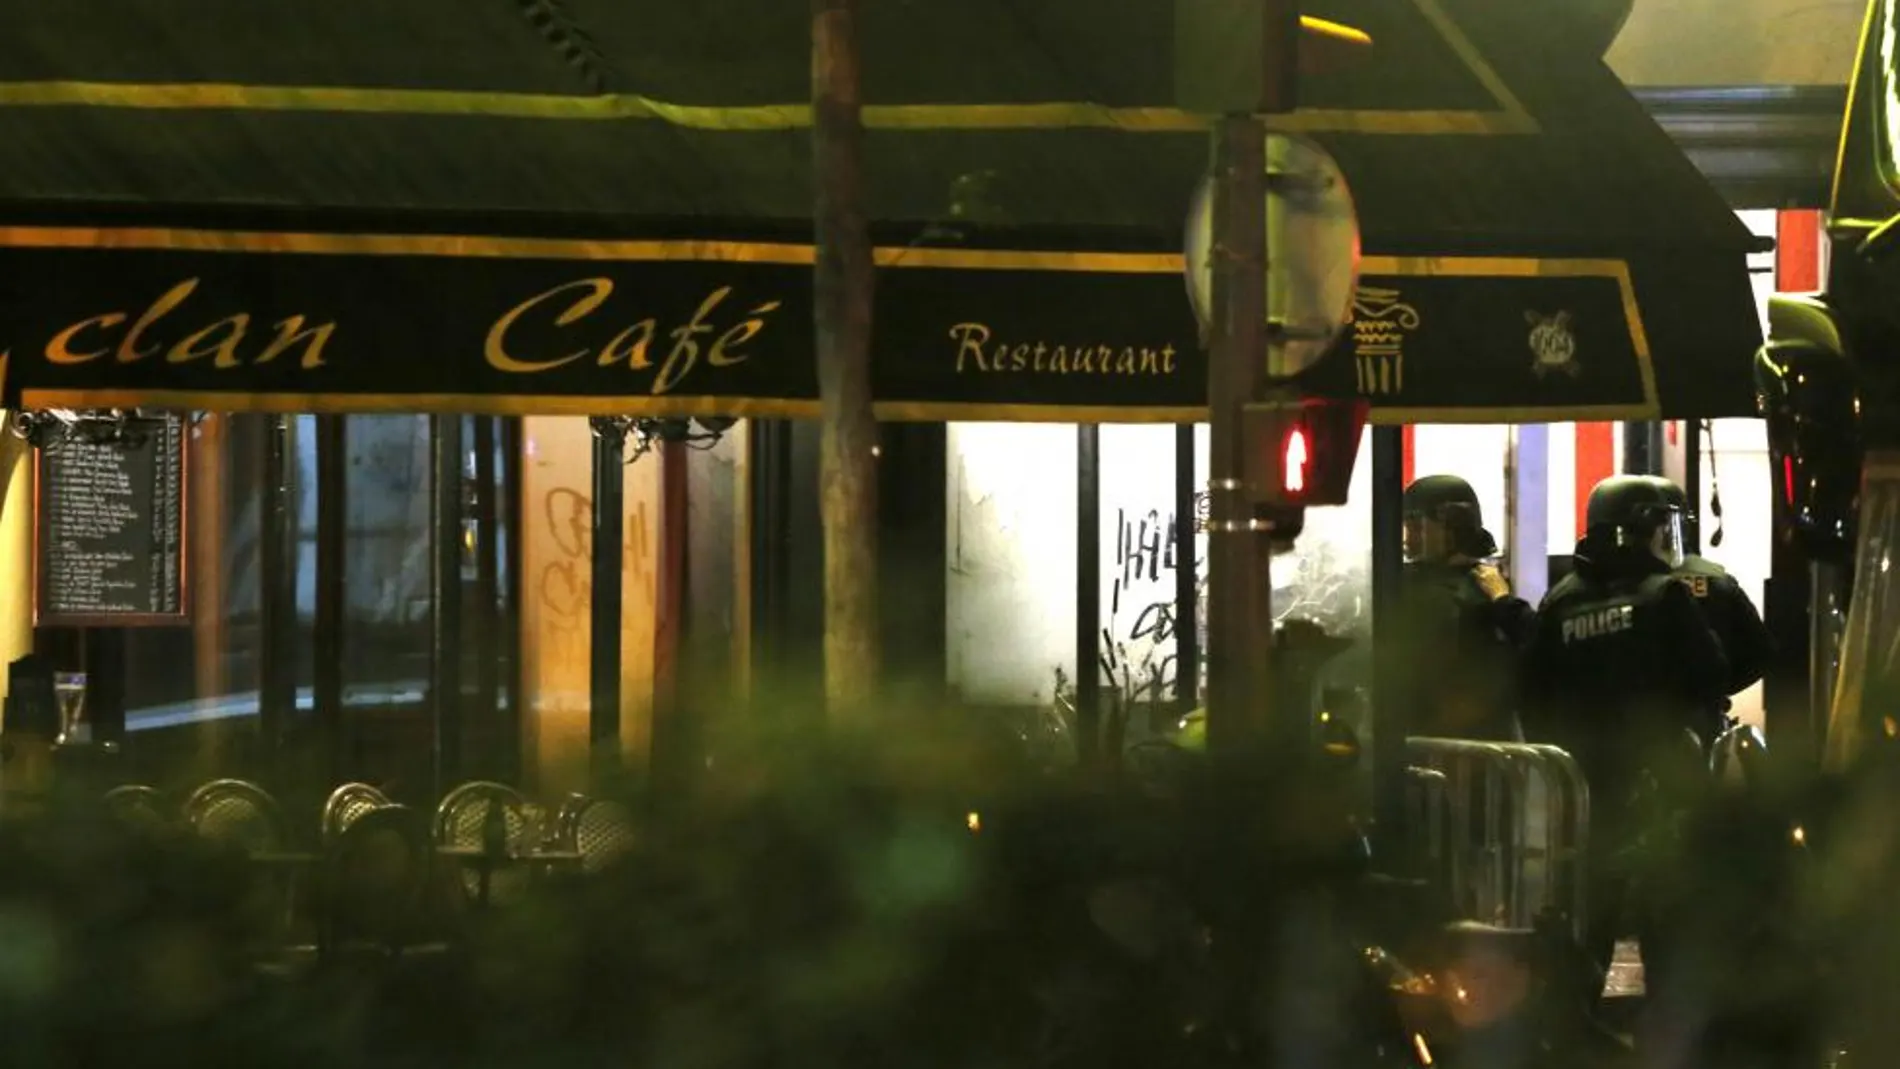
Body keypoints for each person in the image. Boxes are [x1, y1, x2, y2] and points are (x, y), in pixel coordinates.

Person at [1519, 475, 1730, 1026]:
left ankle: (1577, 1022)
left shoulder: (1560, 599)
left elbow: (1529, 691)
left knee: (1590, 902)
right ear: (1635, 530)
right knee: (1667, 903)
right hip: (1657, 779)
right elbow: (1714, 671)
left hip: (1583, 782)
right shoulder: (1665, 594)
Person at [1396, 475, 1537, 741]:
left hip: (1469, 743)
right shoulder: (1402, 581)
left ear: (1454, 527)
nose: (1408, 537)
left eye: (1417, 527)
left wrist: (1504, 603)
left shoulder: (1482, 592)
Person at [1640, 475, 1775, 704]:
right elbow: (1762, 652)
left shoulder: (1601, 587)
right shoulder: (1716, 579)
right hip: (1700, 719)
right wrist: (1715, 690)